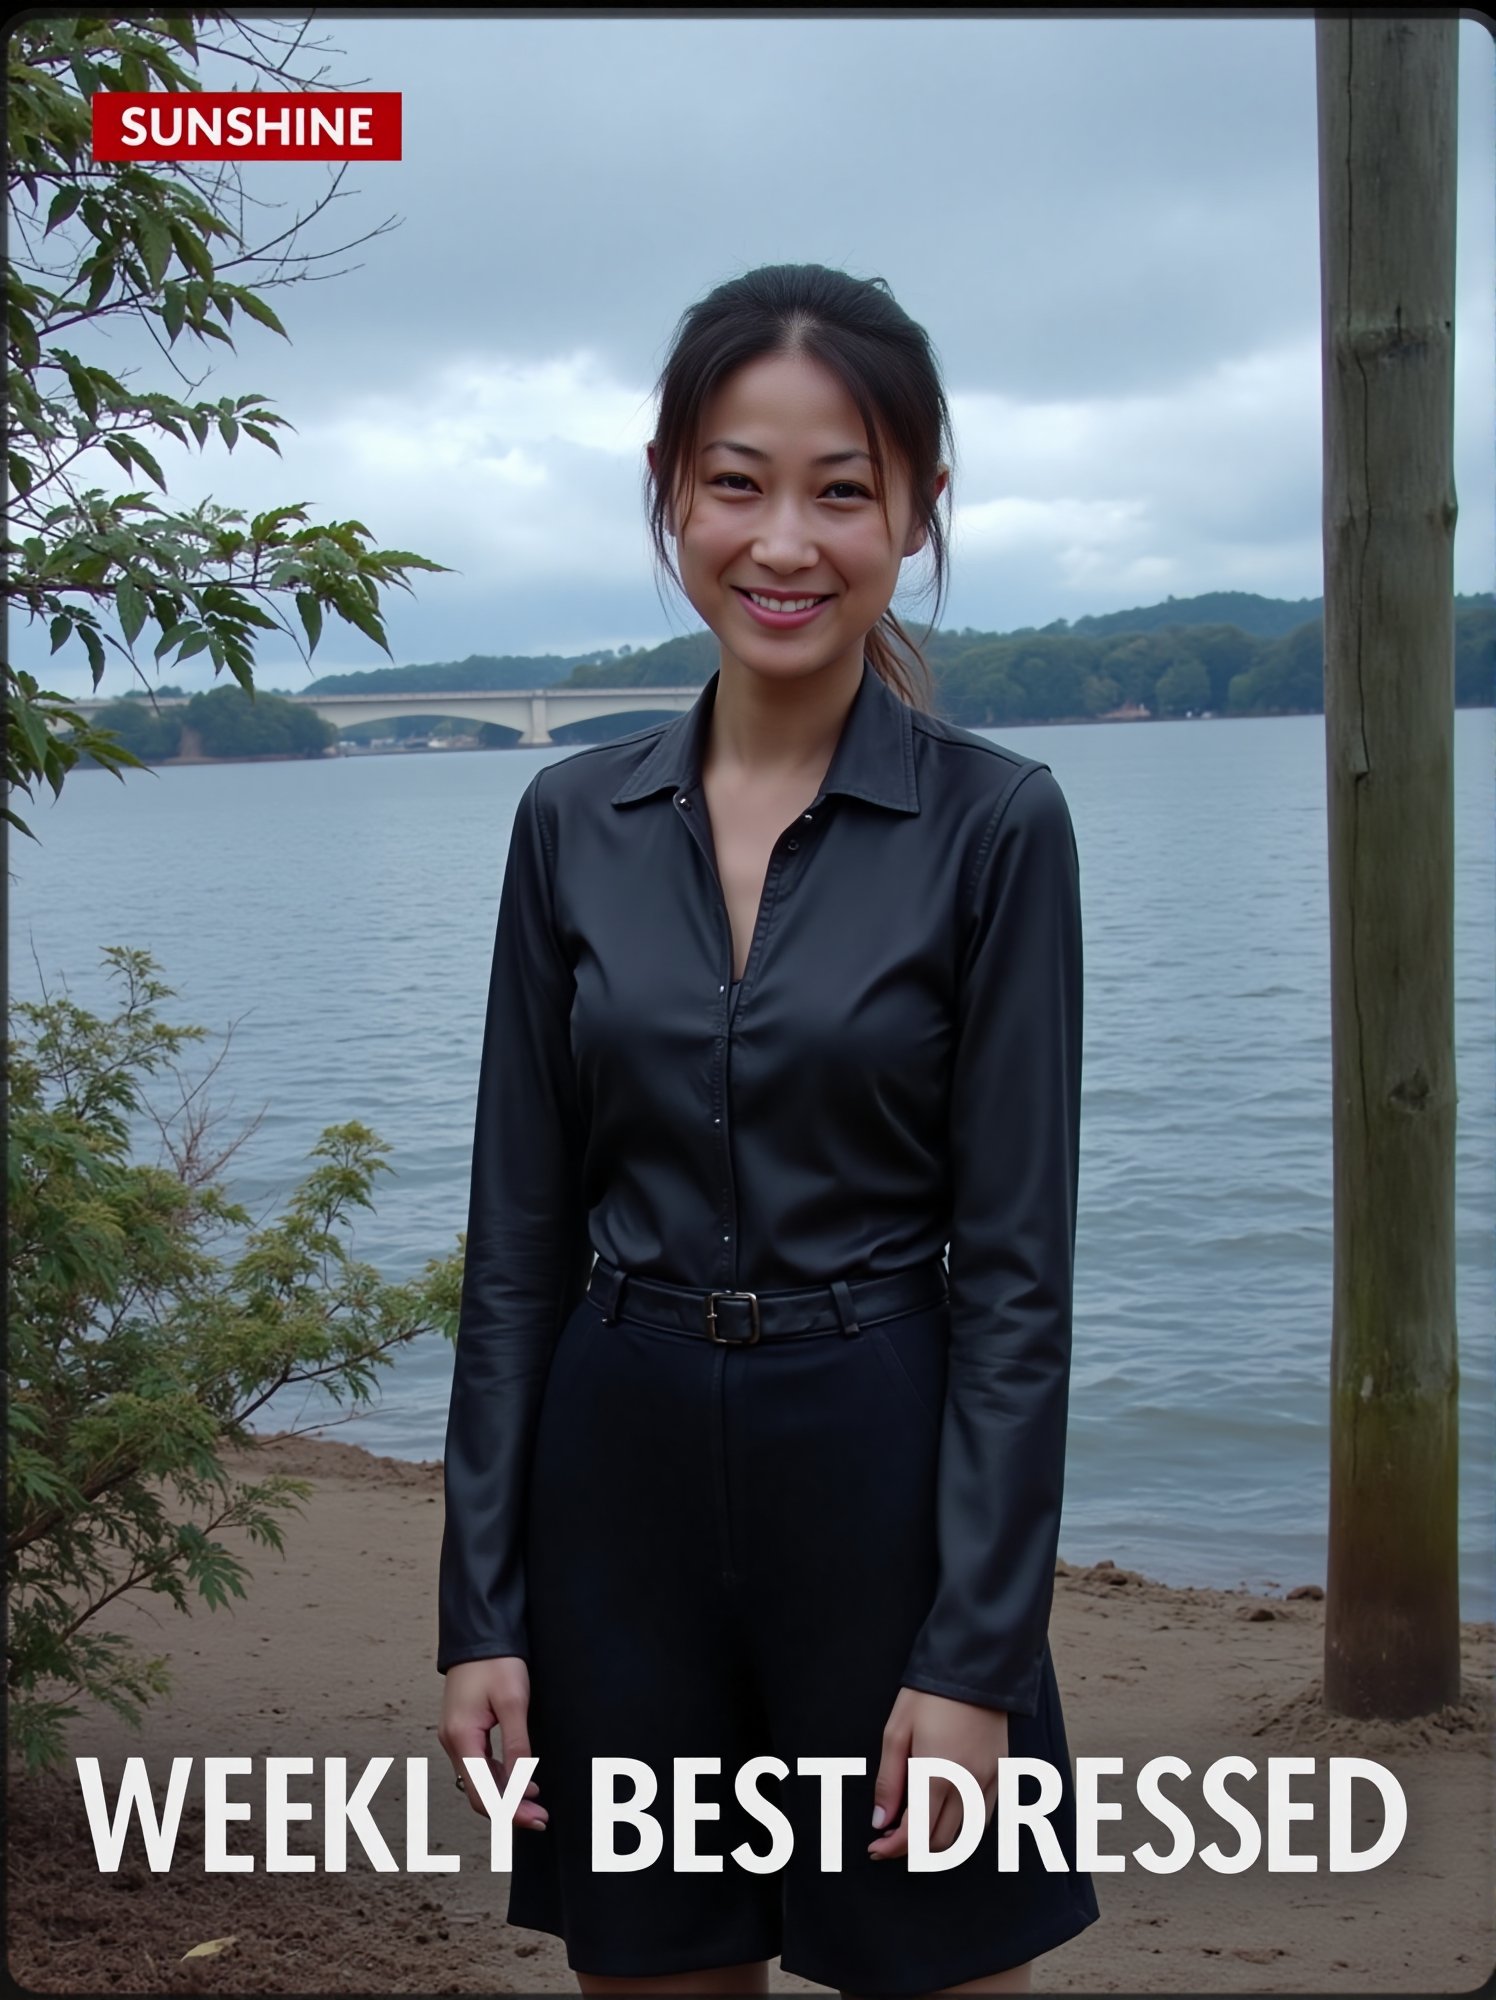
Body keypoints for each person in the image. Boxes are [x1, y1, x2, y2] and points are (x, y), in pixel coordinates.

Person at [436, 263, 1101, 1998]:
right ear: (669, 494)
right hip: (620, 1486)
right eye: (737, 482)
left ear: (917, 511)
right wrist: (482, 1609)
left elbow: (1020, 1282)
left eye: (843, 488)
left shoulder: (998, 829)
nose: (784, 540)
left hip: (881, 1473)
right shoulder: (567, 820)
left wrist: (974, 1659)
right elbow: (514, 1247)